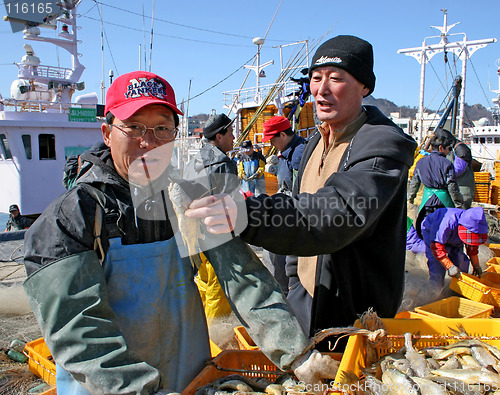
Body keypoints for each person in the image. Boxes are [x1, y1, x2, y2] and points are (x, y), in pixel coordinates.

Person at [22, 71, 334, 394]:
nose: (149, 142)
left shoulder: (189, 196)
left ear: (175, 135)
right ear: (106, 132)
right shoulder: (70, 220)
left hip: (190, 382)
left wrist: (296, 353)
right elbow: (83, 337)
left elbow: (243, 277)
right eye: (134, 127)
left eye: (162, 128)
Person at [186, 35, 418, 345]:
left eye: (336, 79)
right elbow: (298, 202)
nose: (321, 89)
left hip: (356, 314)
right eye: (315, 78)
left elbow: (338, 212)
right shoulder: (313, 144)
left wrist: (247, 215)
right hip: (307, 299)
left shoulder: (382, 144)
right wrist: (294, 285)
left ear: (364, 87)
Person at [183, 113, 238, 320]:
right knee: (219, 289)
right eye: (231, 133)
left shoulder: (193, 162)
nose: (234, 138)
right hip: (218, 238)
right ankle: (216, 336)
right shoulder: (223, 163)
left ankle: (202, 329)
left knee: (204, 284)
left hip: (196, 238)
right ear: (219, 137)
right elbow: (231, 207)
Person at [261, 116, 306, 294]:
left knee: (276, 251)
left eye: (272, 139)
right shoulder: (288, 152)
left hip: (294, 212)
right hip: (285, 205)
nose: (271, 143)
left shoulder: (298, 154)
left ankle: (285, 293)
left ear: (282, 135)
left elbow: (300, 192)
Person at [408, 134, 464, 236]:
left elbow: (414, 182)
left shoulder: (421, 162)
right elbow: (452, 186)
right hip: (444, 202)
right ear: (441, 148)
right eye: (448, 149)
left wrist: (410, 198)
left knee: (426, 231)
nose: (449, 152)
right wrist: (458, 203)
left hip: (426, 201)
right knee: (444, 232)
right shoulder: (447, 164)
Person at [421, 207, 487, 285]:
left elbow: (472, 248)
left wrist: (476, 266)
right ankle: (436, 288)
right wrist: (449, 266)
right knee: (436, 264)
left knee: (459, 258)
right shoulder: (448, 222)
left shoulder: (473, 224)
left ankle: (459, 286)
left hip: (454, 236)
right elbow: (436, 247)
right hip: (434, 233)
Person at [262, 115, 306, 195]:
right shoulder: (286, 152)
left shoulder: (298, 156)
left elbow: (299, 193)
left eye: (273, 141)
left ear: (283, 135)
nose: (272, 145)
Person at [434, 128, 475, 208]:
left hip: (462, 190)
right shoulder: (453, 149)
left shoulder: (461, 150)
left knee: (461, 214)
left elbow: (457, 170)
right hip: (454, 190)